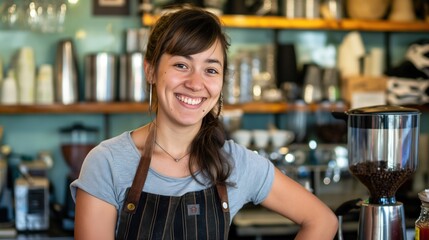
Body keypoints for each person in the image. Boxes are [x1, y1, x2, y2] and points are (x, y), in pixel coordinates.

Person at [70, 5, 338, 240]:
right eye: (181, 65)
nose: (195, 84)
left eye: (210, 70)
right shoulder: (107, 164)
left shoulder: (233, 163)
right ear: (150, 70)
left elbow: (322, 221)